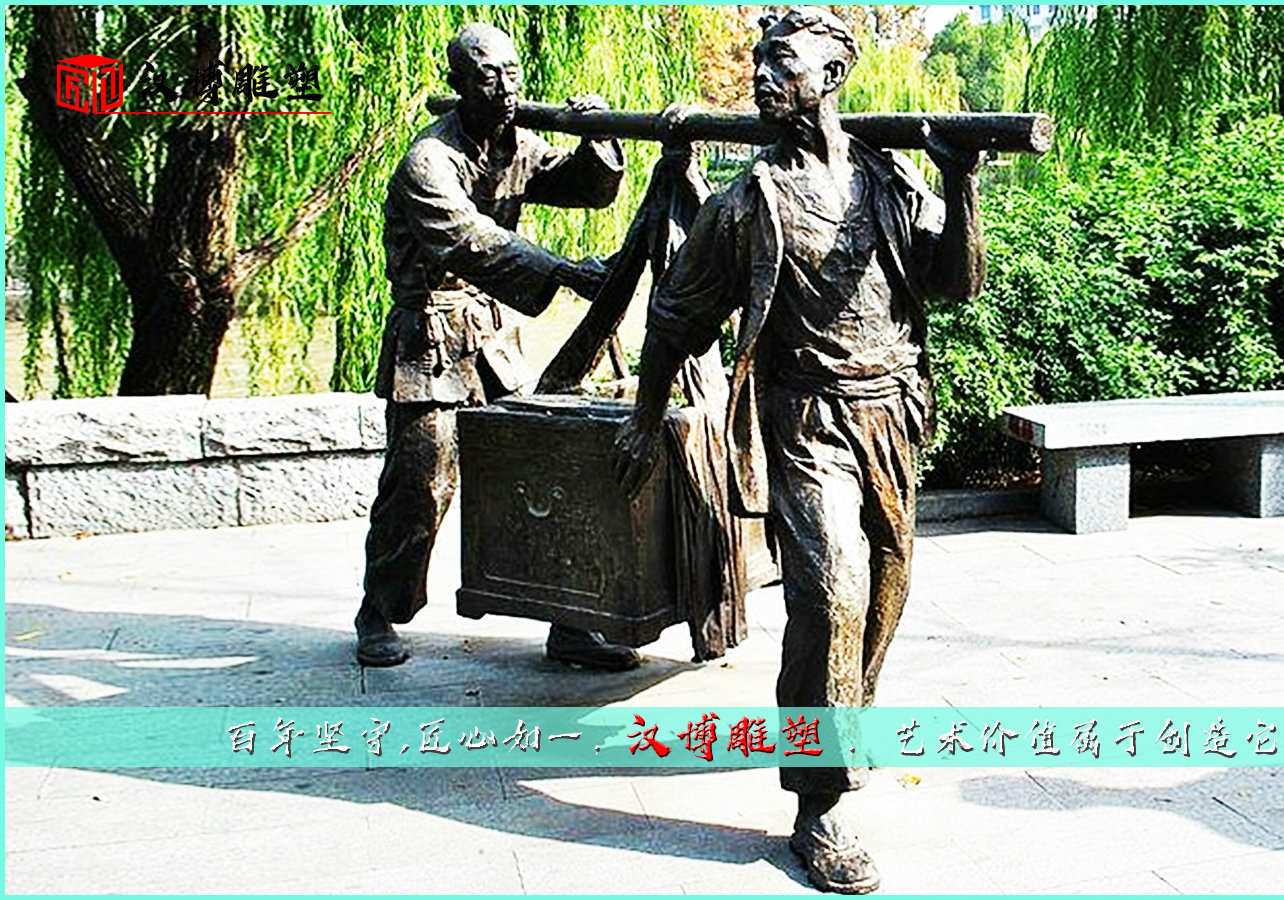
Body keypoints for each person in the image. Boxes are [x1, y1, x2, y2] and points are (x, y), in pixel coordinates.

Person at [613, 8, 984, 894]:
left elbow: (955, 283)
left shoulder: (891, 180)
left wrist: (961, 182)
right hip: (804, 417)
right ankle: (820, 802)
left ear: (833, 75)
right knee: (831, 587)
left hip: (892, 410)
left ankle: (840, 721)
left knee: (888, 584)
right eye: (758, 61)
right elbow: (676, 317)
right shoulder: (750, 202)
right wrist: (645, 416)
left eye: (781, 61)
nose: (761, 75)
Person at [357, 22, 639, 672]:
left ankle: (570, 621)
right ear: (459, 83)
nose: (507, 87)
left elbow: (585, 188)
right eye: (489, 75)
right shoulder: (428, 162)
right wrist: (564, 271)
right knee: (421, 484)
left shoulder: (517, 143)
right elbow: (469, 239)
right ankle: (380, 608)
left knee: (543, 468)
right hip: (430, 342)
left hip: (492, 342)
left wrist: (599, 138)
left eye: (513, 73)